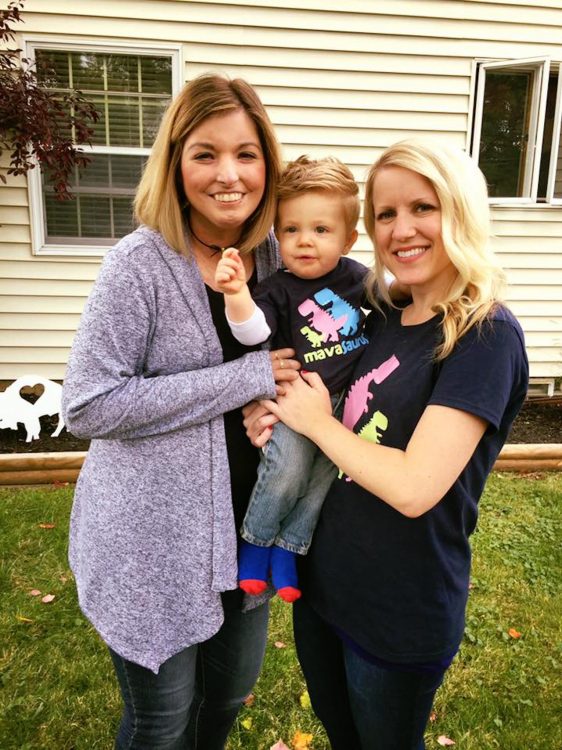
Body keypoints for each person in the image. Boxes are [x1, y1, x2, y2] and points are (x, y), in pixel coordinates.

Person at [246, 139, 529, 749]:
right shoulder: (380, 313)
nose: (402, 229)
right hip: (323, 587)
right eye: (385, 213)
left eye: (422, 207)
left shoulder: (484, 335)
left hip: (397, 607)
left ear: (460, 210)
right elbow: (325, 398)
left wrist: (318, 422)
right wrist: (269, 412)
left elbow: (413, 487)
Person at [61, 73, 300, 750]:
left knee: (225, 700)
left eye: (246, 154)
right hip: (152, 546)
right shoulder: (137, 266)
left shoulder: (283, 257)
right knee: (161, 723)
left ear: (267, 164)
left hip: (249, 533)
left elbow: (312, 362)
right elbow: (88, 402)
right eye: (205, 154)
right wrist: (243, 378)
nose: (228, 174)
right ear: (175, 163)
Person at [214, 155, 368, 603]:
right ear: (277, 235)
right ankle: (255, 543)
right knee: (287, 471)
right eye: (292, 230)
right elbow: (253, 333)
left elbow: (394, 301)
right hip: (296, 400)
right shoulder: (277, 288)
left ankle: (288, 551)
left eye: (321, 230)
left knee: (322, 478)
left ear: (349, 238)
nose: (305, 241)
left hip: (344, 404)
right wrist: (237, 294)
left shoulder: (358, 279)